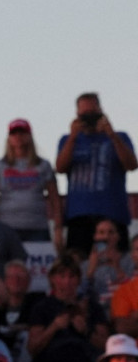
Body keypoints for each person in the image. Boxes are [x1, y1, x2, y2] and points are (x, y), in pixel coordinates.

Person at [57, 92, 137, 254]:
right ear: (77, 115)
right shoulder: (67, 140)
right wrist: (73, 136)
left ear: (101, 111)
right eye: (84, 115)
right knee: (78, 262)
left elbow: (131, 165)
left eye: (93, 114)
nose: (89, 119)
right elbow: (60, 167)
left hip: (112, 213)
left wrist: (111, 134)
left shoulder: (120, 137)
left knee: (116, 261)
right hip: (79, 215)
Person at [0, 119, 63, 246]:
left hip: (37, 226)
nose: (18, 137)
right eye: (14, 134)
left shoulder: (43, 165)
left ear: (29, 136)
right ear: (9, 138)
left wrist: (58, 227)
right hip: (7, 226)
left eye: (22, 133)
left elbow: (54, 197)